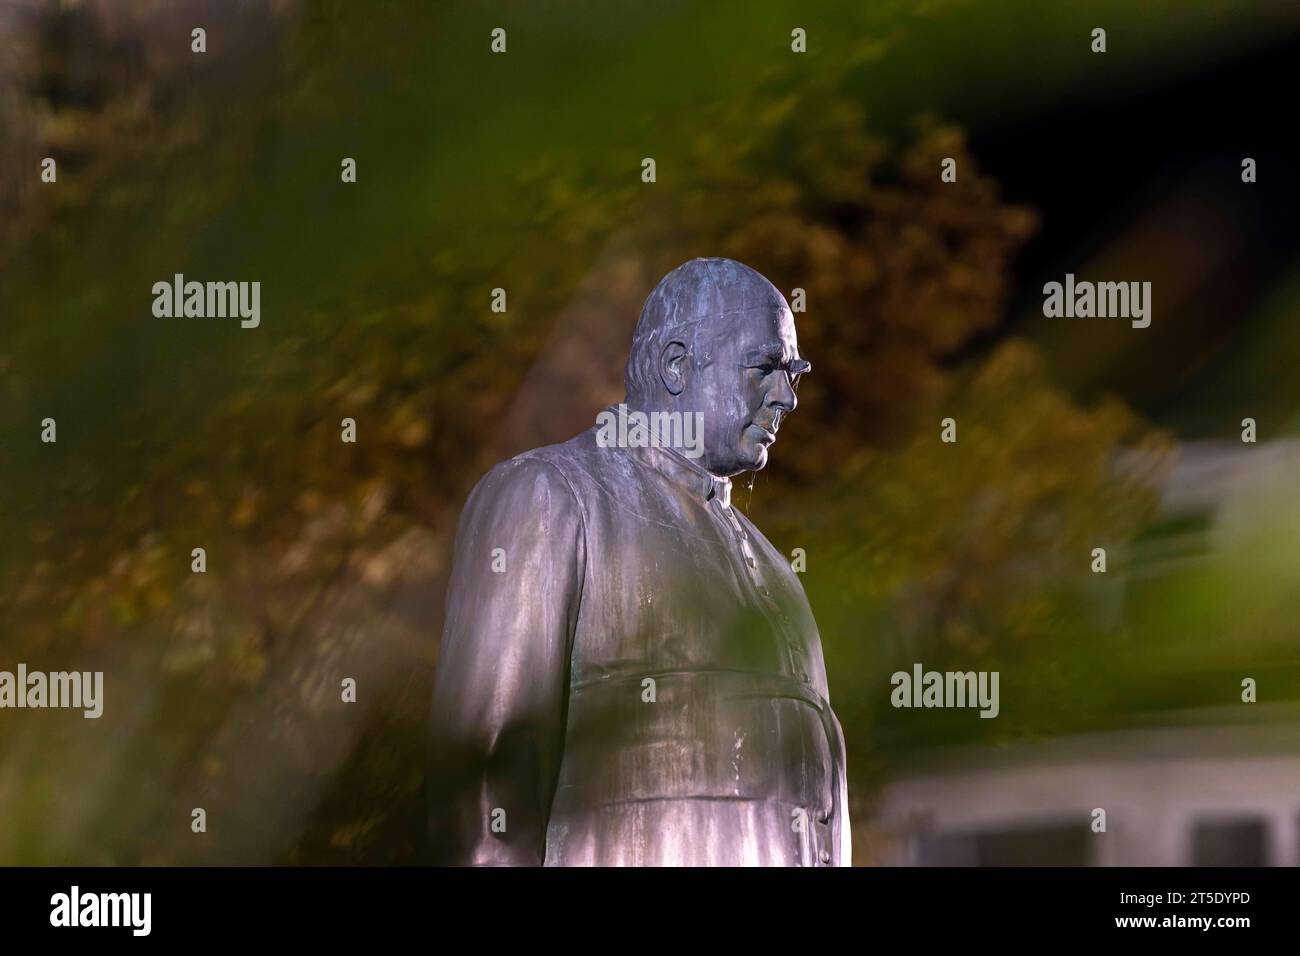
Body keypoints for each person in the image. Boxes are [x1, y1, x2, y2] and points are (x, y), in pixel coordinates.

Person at [428, 257, 849, 866]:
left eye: (793, 373)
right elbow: (484, 786)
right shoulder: (551, 496)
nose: (786, 397)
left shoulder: (780, 577)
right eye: (764, 368)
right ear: (678, 365)